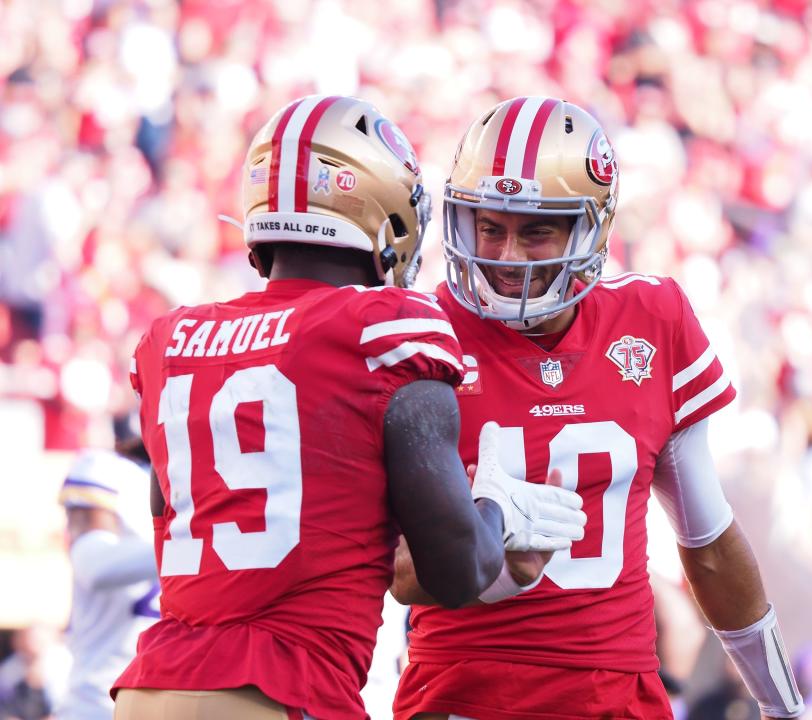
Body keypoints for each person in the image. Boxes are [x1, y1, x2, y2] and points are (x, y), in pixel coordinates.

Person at [111, 95, 585, 720]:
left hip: (149, 691)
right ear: (387, 212)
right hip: (283, 692)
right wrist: (497, 512)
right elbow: (453, 569)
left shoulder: (172, 339)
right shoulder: (385, 327)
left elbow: (171, 517)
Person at [391, 96, 805, 720]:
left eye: (536, 230)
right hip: (465, 696)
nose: (505, 256)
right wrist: (492, 542)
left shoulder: (654, 318)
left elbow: (709, 542)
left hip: (618, 699)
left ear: (592, 228)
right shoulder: (421, 332)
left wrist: (784, 706)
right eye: (490, 224)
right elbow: (399, 573)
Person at [56, 449, 157, 720]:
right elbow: (94, 565)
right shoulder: (105, 468)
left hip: (167, 700)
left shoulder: (193, 475)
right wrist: (193, 546)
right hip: (98, 704)